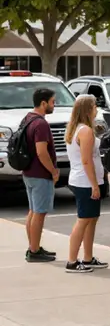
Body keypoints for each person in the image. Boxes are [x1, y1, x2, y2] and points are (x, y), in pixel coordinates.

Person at [65, 94, 107, 273]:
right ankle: (72, 261)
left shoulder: (77, 128)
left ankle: (88, 257)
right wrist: (95, 185)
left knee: (91, 219)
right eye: (95, 106)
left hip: (81, 179)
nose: (97, 109)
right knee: (83, 220)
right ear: (88, 109)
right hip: (85, 182)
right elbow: (86, 160)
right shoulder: (85, 131)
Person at [22, 88, 59, 263]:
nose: (54, 105)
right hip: (40, 174)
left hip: (28, 172)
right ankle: (34, 251)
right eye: (52, 101)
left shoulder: (28, 119)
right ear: (43, 103)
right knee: (39, 213)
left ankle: (32, 247)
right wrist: (53, 171)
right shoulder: (41, 124)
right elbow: (41, 152)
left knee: (33, 211)